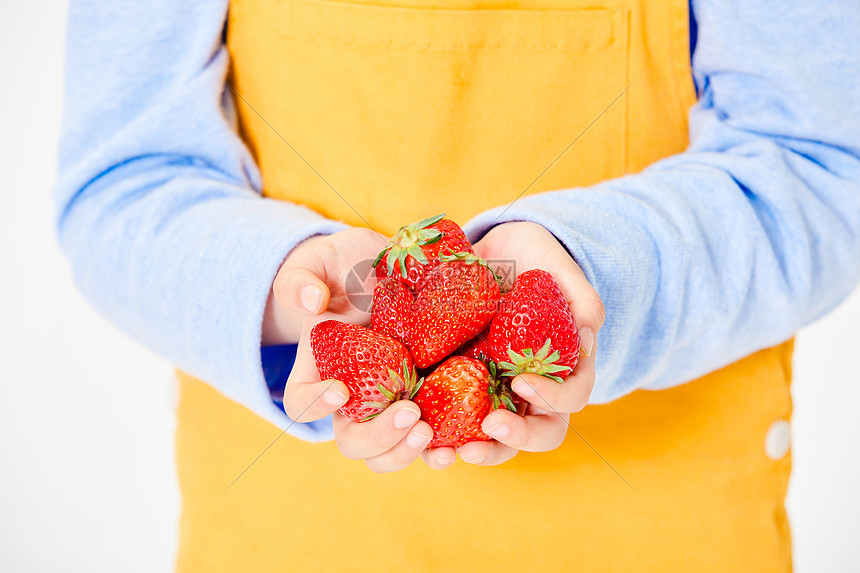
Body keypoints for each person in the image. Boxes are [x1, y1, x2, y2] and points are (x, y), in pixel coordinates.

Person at [55, 0, 860, 570]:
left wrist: (593, 269)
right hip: (288, 541)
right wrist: (280, 287)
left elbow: (824, 170)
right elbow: (124, 178)